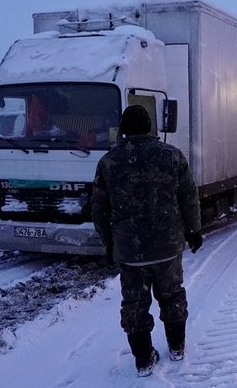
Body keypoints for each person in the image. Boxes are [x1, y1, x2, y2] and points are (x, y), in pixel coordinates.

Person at [91, 105, 203, 377]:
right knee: (172, 294)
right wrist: (194, 231)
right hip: (168, 246)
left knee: (135, 304)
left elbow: (99, 209)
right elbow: (189, 198)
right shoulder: (172, 156)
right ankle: (177, 346)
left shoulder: (109, 162)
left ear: (124, 129)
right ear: (150, 127)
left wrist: (109, 243)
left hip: (130, 251)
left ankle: (143, 359)